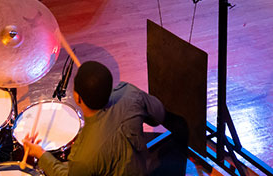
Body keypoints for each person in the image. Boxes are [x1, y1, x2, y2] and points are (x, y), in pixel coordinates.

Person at [25, 60, 171, 176]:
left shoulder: (84, 157)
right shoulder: (130, 93)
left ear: (77, 98)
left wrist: (41, 154)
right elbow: (158, 115)